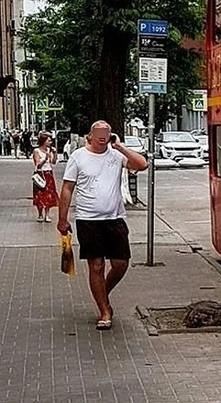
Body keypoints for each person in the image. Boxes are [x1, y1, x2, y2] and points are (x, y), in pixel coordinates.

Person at [56, 120, 148, 330]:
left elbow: (142, 165)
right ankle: (104, 310)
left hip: (115, 219)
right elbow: (68, 188)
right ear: (90, 136)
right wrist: (63, 218)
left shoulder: (116, 155)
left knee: (120, 263)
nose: (102, 136)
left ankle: (102, 293)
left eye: (106, 132)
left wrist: (120, 146)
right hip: (88, 220)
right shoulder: (78, 157)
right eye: (98, 132)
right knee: (96, 266)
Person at [32, 132, 59, 222]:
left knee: (49, 194)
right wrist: (45, 159)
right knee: (40, 194)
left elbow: (53, 162)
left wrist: (54, 154)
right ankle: (40, 214)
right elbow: (38, 164)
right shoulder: (36, 151)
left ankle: (47, 214)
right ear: (43, 141)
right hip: (40, 174)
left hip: (49, 173)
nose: (50, 142)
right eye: (49, 140)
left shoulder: (49, 150)